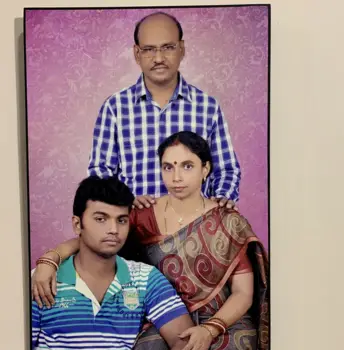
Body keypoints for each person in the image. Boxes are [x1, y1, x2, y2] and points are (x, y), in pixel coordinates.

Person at [32, 132, 270, 350]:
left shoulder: (228, 220)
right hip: (163, 316)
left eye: (187, 166)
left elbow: (243, 293)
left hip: (224, 320)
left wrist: (210, 329)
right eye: (168, 167)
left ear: (205, 168)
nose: (176, 177)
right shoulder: (143, 214)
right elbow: (95, 239)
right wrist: (50, 259)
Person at [31, 176, 196, 350]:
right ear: (77, 225)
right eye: (101, 219)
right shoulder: (42, 279)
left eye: (122, 220)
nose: (113, 230)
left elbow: (185, 341)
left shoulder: (144, 278)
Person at [87, 11, 241, 211]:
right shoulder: (115, 108)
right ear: (136, 54)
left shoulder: (207, 107)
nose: (158, 58)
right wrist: (125, 199)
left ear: (182, 49)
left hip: (194, 229)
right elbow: (100, 172)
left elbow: (226, 170)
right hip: (134, 229)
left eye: (168, 47)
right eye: (149, 49)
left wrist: (220, 201)